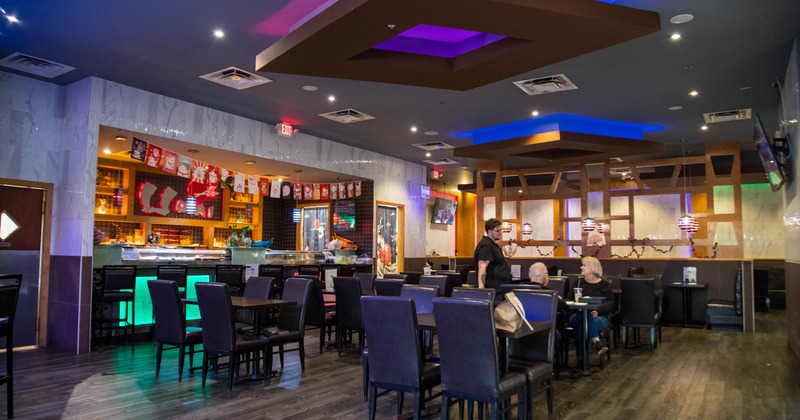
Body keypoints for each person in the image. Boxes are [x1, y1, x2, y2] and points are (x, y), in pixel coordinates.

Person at [568, 256, 614, 356]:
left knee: (584, 326)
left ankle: (581, 360)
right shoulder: (578, 282)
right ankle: (596, 341)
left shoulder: (604, 284)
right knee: (585, 319)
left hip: (599, 317)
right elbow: (569, 300)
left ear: (592, 268)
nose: (581, 267)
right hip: (578, 316)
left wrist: (598, 312)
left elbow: (611, 304)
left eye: (584, 265)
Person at [474, 218, 512, 297]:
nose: (500, 233)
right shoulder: (486, 246)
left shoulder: (492, 244)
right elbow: (482, 267)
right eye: (497, 231)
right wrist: (482, 291)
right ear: (489, 232)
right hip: (494, 291)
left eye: (500, 230)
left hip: (499, 289)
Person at [529, 262, 570, 328]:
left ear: (529, 275)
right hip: (545, 332)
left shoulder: (516, 291)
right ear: (545, 278)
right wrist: (558, 298)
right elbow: (566, 310)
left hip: (520, 333)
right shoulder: (550, 294)